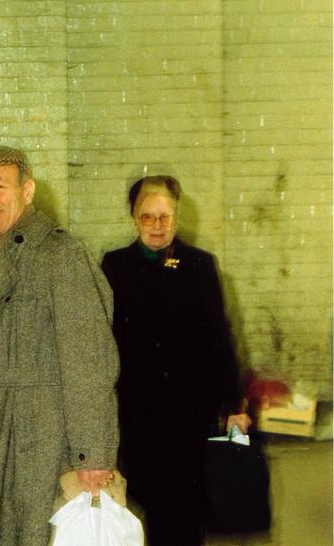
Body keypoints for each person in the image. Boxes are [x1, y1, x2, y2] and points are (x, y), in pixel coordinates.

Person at [0, 145, 120, 546]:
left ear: (27, 191)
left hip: (38, 436)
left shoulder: (60, 255)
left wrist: (92, 454)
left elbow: (89, 359)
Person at [100, 175, 251, 546]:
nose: (156, 225)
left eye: (164, 217)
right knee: (145, 498)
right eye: (147, 216)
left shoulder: (199, 266)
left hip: (188, 409)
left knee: (185, 506)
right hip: (135, 409)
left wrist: (233, 404)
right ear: (133, 217)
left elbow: (219, 336)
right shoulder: (114, 266)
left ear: (177, 216)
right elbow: (101, 340)